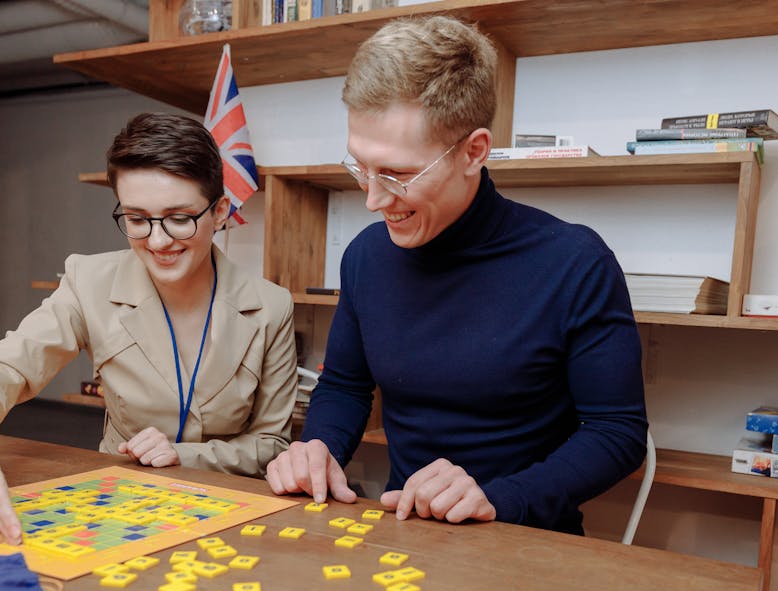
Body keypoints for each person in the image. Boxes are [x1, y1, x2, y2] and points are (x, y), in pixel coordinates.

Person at [265, 16, 647, 534]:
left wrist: (497, 497)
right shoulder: (365, 257)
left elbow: (617, 431)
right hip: (405, 530)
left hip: (523, 536)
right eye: (359, 167)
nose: (374, 200)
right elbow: (347, 387)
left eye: (397, 174)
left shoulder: (575, 262)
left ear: (474, 151)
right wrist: (319, 449)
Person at [0, 113, 298, 545]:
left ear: (219, 213)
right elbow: (1, 366)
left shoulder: (272, 305)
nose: (158, 242)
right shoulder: (88, 281)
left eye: (179, 218)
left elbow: (272, 444)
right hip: (117, 504)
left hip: (233, 512)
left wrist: (183, 455)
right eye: (137, 219)